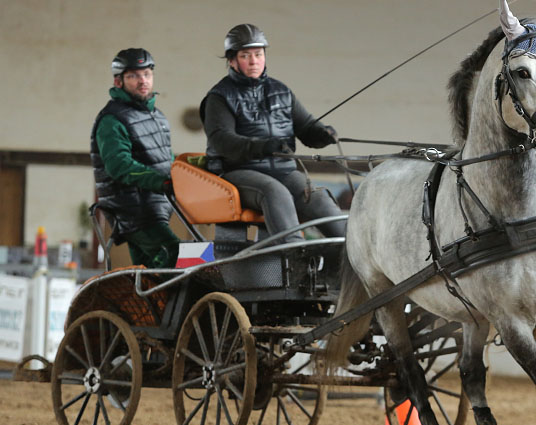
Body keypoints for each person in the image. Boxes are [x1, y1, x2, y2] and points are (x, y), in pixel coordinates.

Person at [200, 23, 346, 242]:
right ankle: (295, 254)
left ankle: (349, 252)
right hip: (236, 172)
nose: (253, 61)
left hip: (284, 171)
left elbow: (306, 127)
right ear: (232, 60)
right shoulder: (219, 97)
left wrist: (322, 134)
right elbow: (223, 142)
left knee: (318, 199)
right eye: (245, 55)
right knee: (274, 192)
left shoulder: (281, 91)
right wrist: (263, 146)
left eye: (258, 54)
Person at [90, 48, 179, 268]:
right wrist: (161, 181)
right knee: (176, 254)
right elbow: (119, 165)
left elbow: (164, 159)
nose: (143, 81)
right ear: (118, 81)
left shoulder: (158, 117)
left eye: (147, 74)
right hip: (133, 211)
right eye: (134, 76)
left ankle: (146, 302)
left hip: (157, 208)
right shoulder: (112, 120)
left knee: (148, 275)